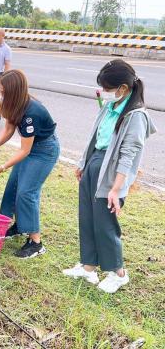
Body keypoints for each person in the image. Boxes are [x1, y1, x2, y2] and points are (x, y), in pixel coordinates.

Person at [63, 59, 156, 294]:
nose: (105, 93)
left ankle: (118, 273)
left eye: (108, 88)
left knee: (105, 224)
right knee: (87, 217)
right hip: (95, 163)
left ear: (123, 89)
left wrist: (116, 189)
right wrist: (84, 162)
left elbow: (128, 155)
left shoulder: (135, 116)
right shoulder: (110, 107)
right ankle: (89, 267)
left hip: (112, 172)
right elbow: (96, 136)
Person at [0, 69, 59, 258]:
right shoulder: (14, 103)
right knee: (13, 187)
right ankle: (19, 226)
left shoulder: (31, 113)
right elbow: (9, 127)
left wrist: (1, 168)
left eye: (2, 91)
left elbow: (25, 150)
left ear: (12, 91)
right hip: (32, 148)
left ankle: (36, 242)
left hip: (43, 151)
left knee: (26, 192)